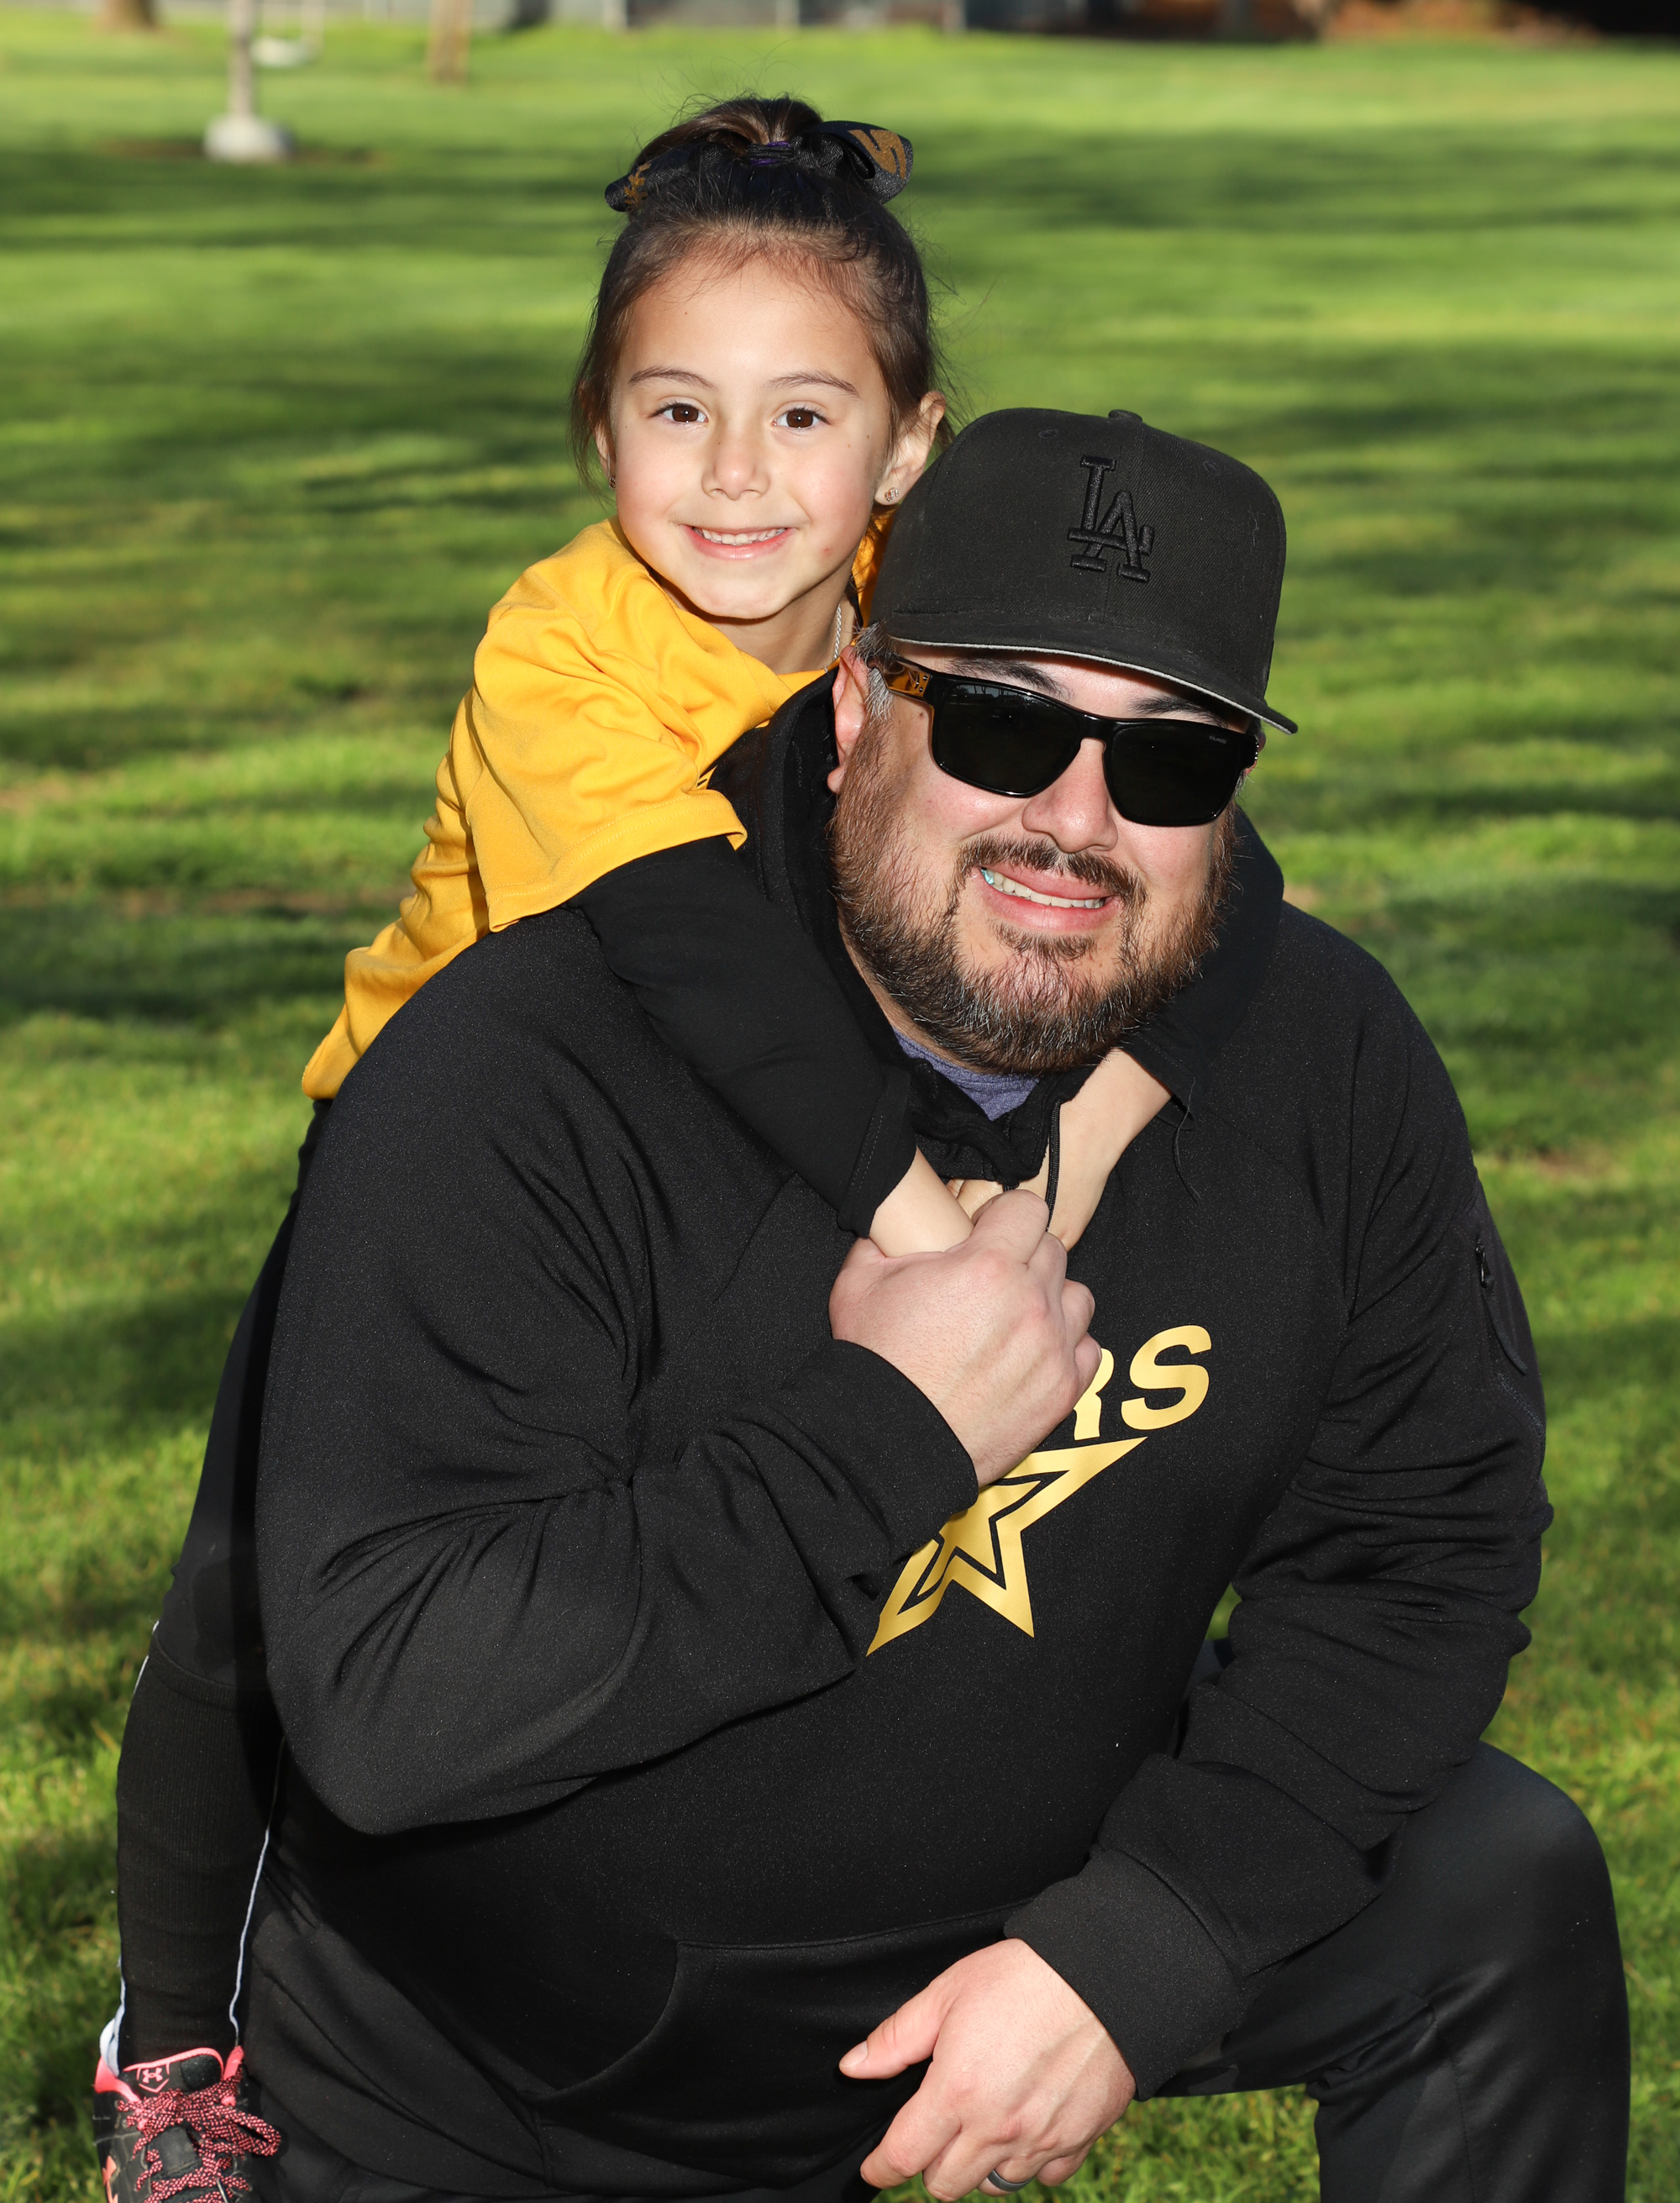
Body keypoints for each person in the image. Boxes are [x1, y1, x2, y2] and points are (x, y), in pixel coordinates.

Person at [239, 407, 1625, 2202]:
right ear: (850, 713)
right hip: (520, 2084)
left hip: (1016, 1918)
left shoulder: (1320, 1056)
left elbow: (1421, 1547)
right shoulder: (524, 1063)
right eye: (999, 724)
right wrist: (881, 1433)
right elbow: (390, 1696)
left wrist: (1148, 1939)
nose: (1076, 820)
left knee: (1497, 1880)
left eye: (1172, 760)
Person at [92, 109, 1226, 2197]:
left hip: (727, 1159)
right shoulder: (558, 647)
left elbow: (1153, 825)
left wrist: (1091, 1134)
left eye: (804, 414)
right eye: (673, 409)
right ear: (595, 427)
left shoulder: (913, 618)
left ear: (907, 445)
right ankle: (174, 2044)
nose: (732, 475)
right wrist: (945, 1246)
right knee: (253, 1594)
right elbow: (707, 967)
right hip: (440, 1170)